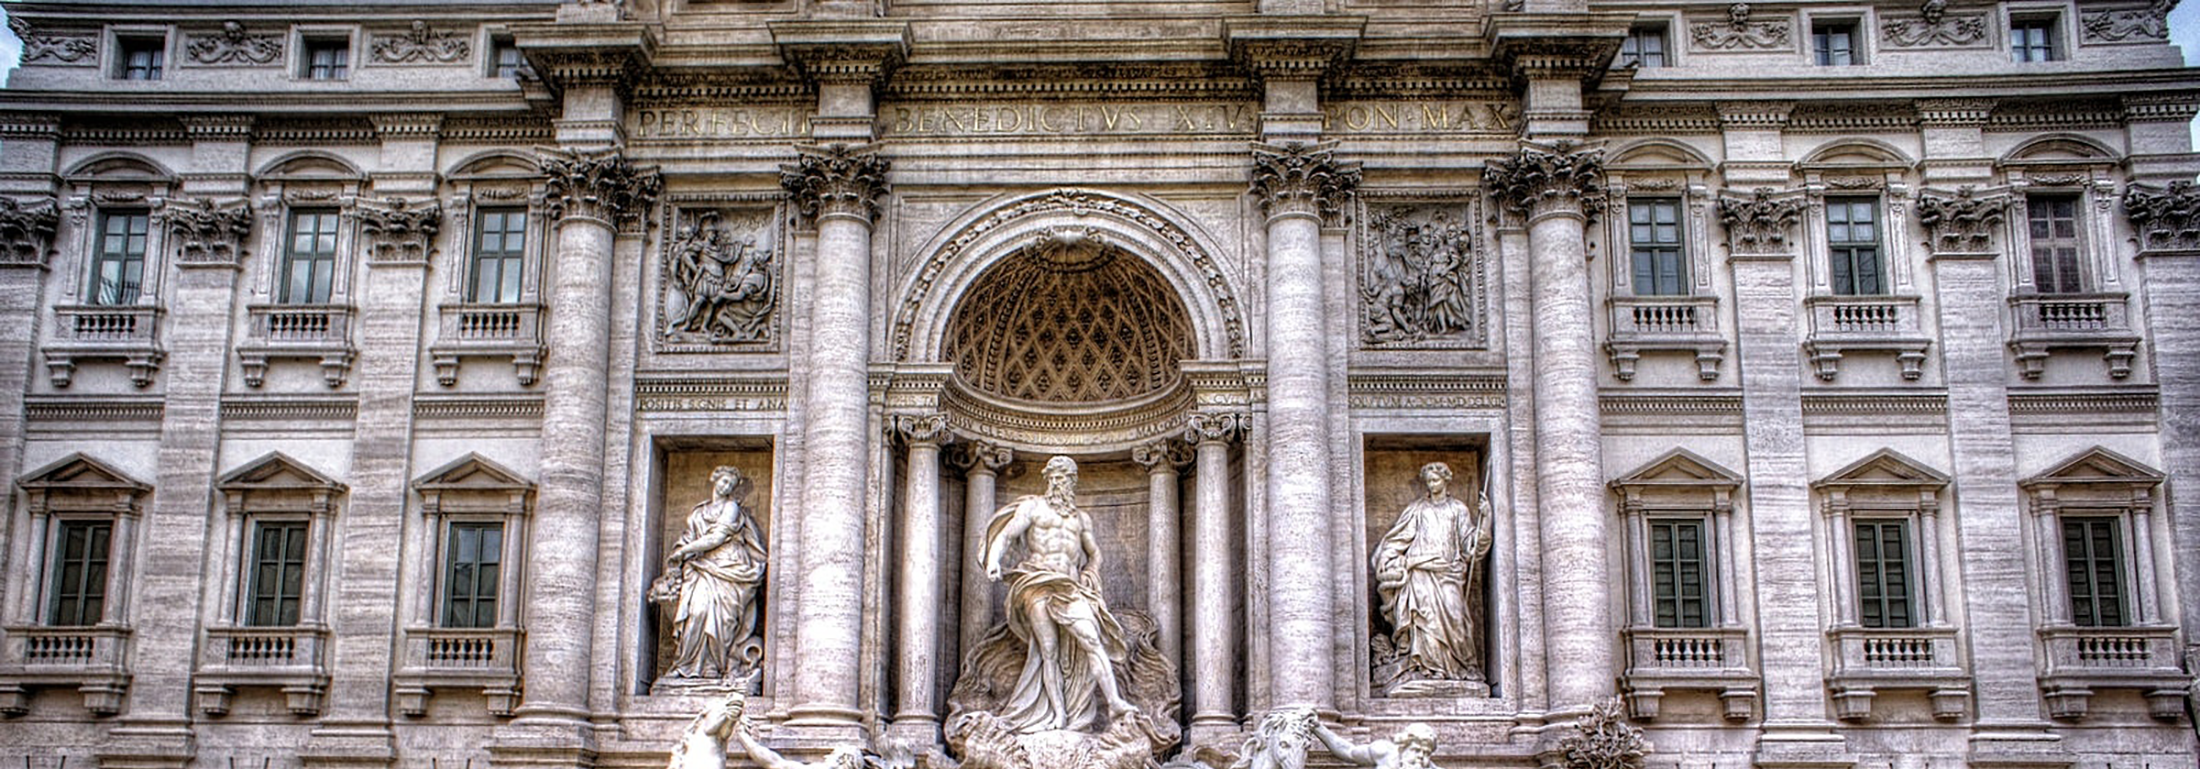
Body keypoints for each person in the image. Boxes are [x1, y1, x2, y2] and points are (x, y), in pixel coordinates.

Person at [981, 455, 1139, 733]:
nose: (1058, 483)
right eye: (1054, 477)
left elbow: (1095, 553)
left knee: (1092, 639)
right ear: (1047, 480)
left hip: (1070, 587)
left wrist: (1091, 571)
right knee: (1048, 651)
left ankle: (1114, 702)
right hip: (1037, 582)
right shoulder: (1033, 507)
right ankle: (1058, 716)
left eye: (1064, 478)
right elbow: (1006, 535)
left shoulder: (1081, 519)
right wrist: (994, 560)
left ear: (1072, 483)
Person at [1371, 462, 1491, 684]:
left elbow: (1471, 547)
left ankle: (1459, 667)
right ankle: (1426, 667)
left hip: (1449, 573)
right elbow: (1397, 540)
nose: (1432, 485)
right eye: (1429, 481)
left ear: (1446, 480)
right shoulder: (1418, 510)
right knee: (1423, 621)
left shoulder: (1458, 510)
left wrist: (1486, 521)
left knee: (1457, 620)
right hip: (1420, 575)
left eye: (1436, 480)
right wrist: (1390, 559)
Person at [656, 465, 769, 682]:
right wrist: (680, 555)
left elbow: (717, 538)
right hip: (701, 568)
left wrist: (684, 552)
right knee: (697, 613)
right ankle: (687, 666)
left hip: (728, 565)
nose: (726, 486)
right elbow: (689, 537)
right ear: (714, 479)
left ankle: (713, 667)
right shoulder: (698, 512)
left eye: (731, 485)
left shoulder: (731, 508)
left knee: (724, 619)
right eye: (724, 481)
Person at [1310, 720, 1439, 769]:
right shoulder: (1383, 752)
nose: (1421, 757)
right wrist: (1319, 729)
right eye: (1416, 750)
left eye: (1426, 753)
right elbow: (1348, 751)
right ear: (1403, 747)